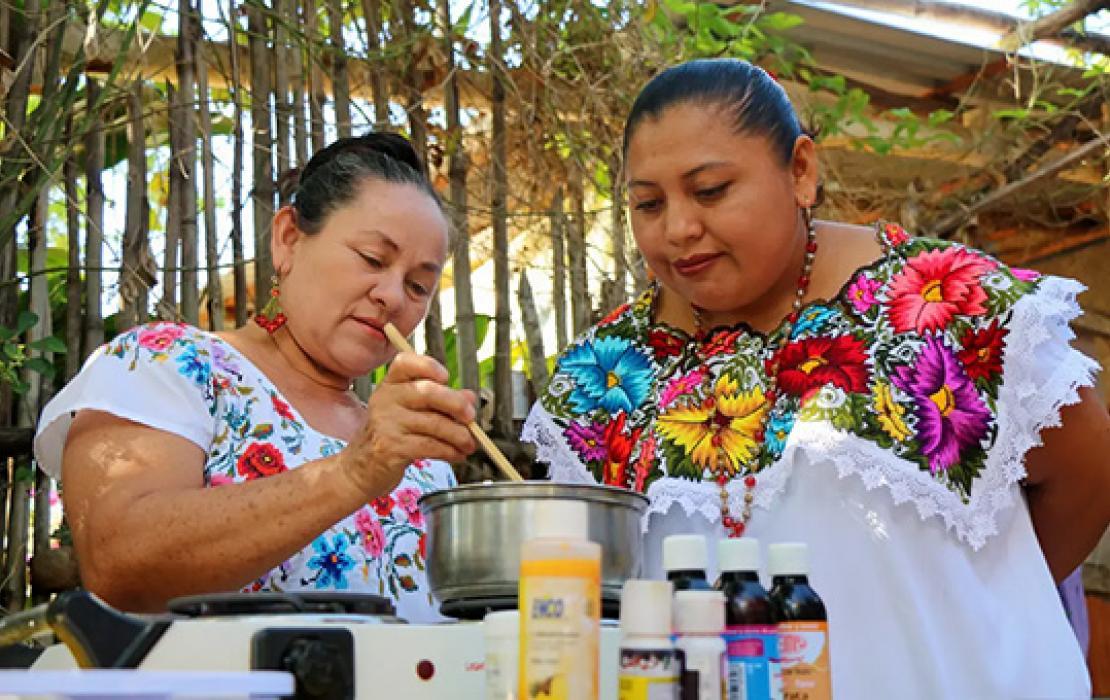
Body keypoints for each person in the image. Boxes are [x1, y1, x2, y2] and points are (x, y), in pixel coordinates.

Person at [522, 58, 1110, 697]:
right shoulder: (606, 373)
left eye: (711, 189)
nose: (678, 228)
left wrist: (962, 602)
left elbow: (1088, 475)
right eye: (648, 203)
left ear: (801, 171)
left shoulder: (943, 304)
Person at [35, 133, 477, 622]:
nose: (393, 296)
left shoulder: (416, 458)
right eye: (373, 259)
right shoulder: (170, 365)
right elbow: (119, 567)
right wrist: (353, 472)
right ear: (288, 238)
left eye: (418, 285)